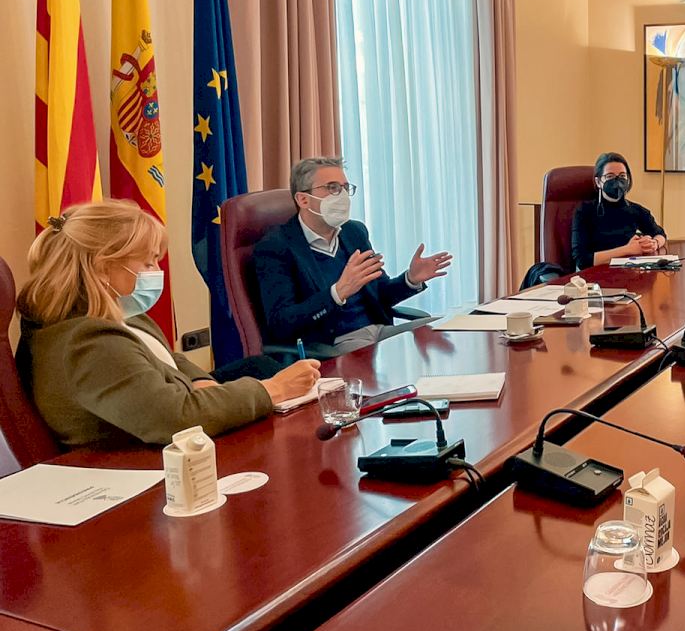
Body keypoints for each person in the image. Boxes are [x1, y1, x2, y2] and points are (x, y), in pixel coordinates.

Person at [16, 201, 320, 447]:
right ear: (103, 268)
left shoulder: (114, 310)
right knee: (269, 389)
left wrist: (198, 379)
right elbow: (176, 417)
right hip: (140, 461)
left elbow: (164, 357)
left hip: (167, 409)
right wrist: (273, 390)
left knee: (258, 365)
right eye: (148, 262)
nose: (156, 271)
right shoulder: (88, 343)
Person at [253, 157, 452, 353]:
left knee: (447, 328)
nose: (341, 196)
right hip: (335, 344)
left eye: (345, 188)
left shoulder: (353, 232)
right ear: (303, 199)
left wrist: (410, 279)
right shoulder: (276, 247)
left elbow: (381, 294)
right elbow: (281, 323)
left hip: (380, 332)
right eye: (332, 188)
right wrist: (337, 293)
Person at [571, 152, 668, 270]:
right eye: (610, 176)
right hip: (596, 275)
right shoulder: (584, 211)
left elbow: (661, 234)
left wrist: (654, 244)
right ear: (598, 182)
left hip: (628, 273)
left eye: (622, 176)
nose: (617, 181)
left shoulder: (636, 210)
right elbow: (582, 260)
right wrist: (628, 249)